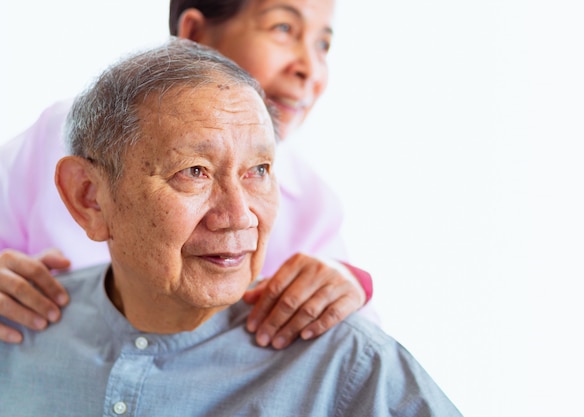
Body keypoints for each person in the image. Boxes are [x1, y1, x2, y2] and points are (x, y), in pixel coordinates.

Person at [0, 39, 461, 417]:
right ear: (89, 197)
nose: (239, 215)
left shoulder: (347, 364)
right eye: (194, 171)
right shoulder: (17, 332)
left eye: (258, 169)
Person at [0, 0, 377, 348]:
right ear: (195, 34)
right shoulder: (60, 138)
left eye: (323, 45)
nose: (308, 69)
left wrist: (347, 284)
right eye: (282, 28)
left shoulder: (309, 199)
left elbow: (360, 344)